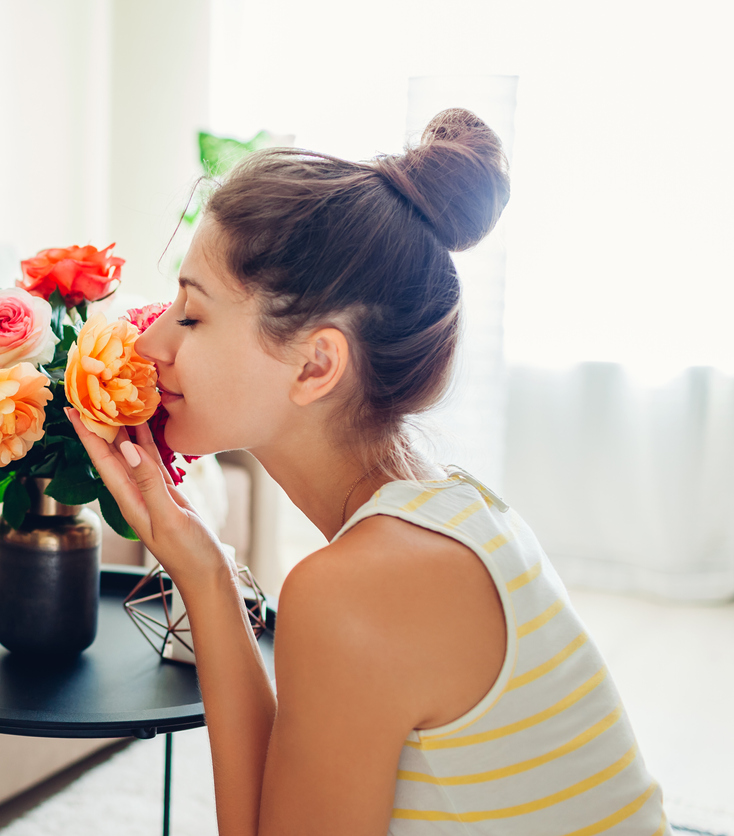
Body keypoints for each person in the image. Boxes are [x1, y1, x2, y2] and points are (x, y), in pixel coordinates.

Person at [66, 109, 670, 835]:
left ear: (316, 364)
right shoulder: (460, 509)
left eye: (190, 316)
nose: (152, 340)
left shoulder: (358, 591)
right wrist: (204, 569)